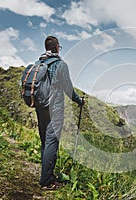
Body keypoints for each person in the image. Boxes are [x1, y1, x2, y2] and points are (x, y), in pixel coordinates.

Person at [35, 36, 83, 190]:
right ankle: (46, 181)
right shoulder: (61, 65)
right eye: (59, 47)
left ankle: (47, 174)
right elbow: (68, 89)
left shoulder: (39, 63)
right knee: (52, 142)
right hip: (54, 108)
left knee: (45, 142)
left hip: (40, 107)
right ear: (56, 47)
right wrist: (79, 101)